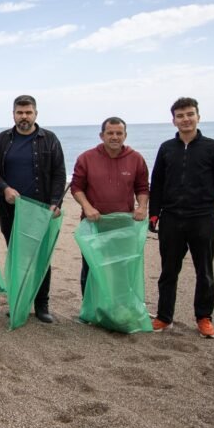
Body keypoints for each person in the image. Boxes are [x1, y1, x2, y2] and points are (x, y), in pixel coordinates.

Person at [149, 97, 214, 339]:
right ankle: (164, 317)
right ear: (173, 120)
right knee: (168, 271)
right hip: (171, 218)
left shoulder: (212, 147)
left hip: (202, 218)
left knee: (204, 272)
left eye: (189, 114)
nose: (185, 119)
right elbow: (157, 183)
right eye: (180, 115)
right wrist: (154, 213)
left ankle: (204, 317)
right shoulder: (166, 148)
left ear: (198, 116)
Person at [0, 95, 66, 323]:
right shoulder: (3, 139)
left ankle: (42, 306)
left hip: (41, 210)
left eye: (28, 112)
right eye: (20, 112)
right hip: (10, 210)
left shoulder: (50, 139)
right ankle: (18, 301)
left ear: (36, 114)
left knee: (41, 258)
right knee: (16, 258)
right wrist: (4, 189)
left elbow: (59, 173)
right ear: (13, 114)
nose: (24, 117)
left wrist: (56, 202)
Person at [70, 117, 149, 295]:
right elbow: (76, 187)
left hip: (124, 226)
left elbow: (143, 187)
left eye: (119, 133)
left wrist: (142, 207)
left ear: (125, 135)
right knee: (92, 268)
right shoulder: (86, 158)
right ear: (101, 135)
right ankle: (91, 311)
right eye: (110, 133)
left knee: (121, 269)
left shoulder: (135, 158)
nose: (115, 137)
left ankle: (118, 308)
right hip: (94, 224)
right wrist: (87, 207)